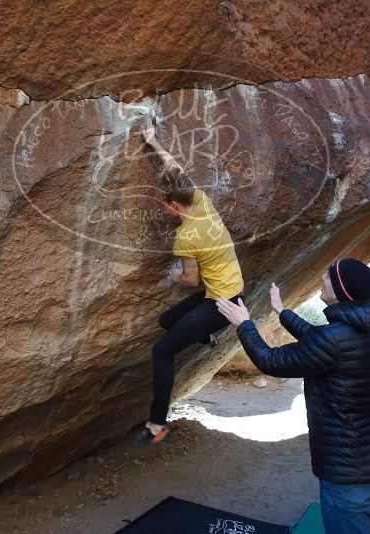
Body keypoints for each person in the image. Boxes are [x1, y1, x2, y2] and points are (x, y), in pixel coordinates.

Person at [216, 259, 370, 534]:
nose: (322, 278)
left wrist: (244, 325)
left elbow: (271, 361)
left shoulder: (334, 340)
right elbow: (318, 340)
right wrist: (282, 312)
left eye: (327, 276)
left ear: (339, 291)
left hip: (346, 477)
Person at [134, 113, 245, 445]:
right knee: (166, 319)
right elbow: (175, 170)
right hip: (230, 289)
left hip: (221, 304)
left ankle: (157, 426)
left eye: (164, 206)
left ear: (173, 205)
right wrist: (151, 140)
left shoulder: (185, 238)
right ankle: (205, 336)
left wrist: (175, 275)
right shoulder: (202, 202)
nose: (164, 210)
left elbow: (191, 282)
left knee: (161, 351)